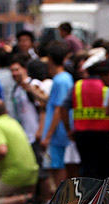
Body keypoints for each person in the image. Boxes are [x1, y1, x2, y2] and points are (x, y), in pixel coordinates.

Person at [66, 57, 109, 179]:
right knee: (104, 168)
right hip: (104, 132)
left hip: (82, 133)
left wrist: (68, 129)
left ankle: (90, 196)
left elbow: (63, 107)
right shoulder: (107, 85)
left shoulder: (77, 85)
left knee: (87, 168)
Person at [40, 43, 74, 186]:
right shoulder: (65, 78)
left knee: (57, 166)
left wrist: (47, 135)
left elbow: (59, 109)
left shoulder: (60, 80)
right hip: (59, 132)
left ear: (50, 59)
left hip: (57, 133)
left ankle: (63, 201)